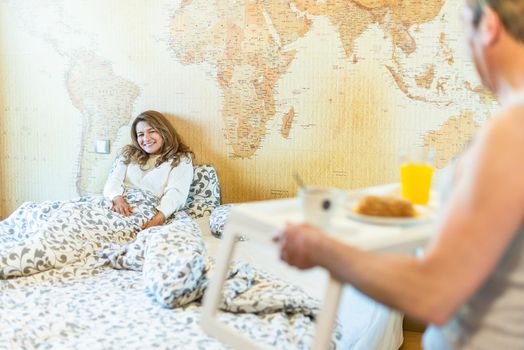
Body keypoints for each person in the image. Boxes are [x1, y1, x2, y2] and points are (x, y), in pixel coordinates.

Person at [276, 1, 524, 348]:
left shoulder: (511, 132)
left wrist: (319, 247)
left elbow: (433, 293)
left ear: (488, 27)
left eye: (464, 28)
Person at [104, 110, 194, 229]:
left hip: (144, 211)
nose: (146, 138)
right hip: (114, 204)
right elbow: (113, 180)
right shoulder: (128, 154)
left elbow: (176, 193)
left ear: (164, 132)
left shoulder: (180, 159)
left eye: (151, 131)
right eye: (140, 134)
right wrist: (117, 199)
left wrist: (157, 220)